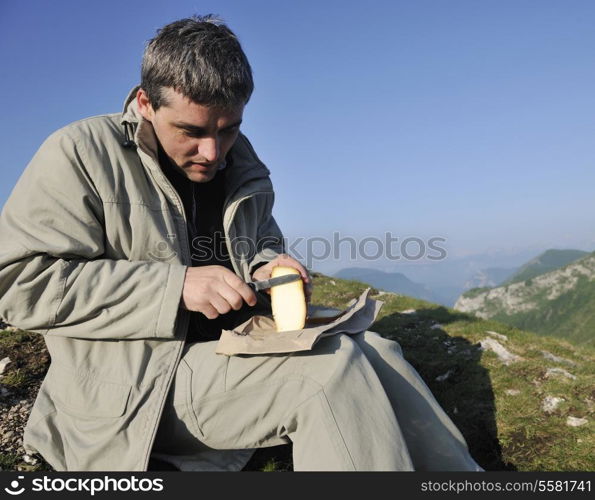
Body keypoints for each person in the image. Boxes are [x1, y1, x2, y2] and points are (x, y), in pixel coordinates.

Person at [0, 15, 483, 471]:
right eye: (191, 131)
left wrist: (271, 268)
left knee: (380, 352)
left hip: (234, 349)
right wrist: (175, 287)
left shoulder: (241, 162)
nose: (212, 152)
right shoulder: (81, 152)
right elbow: (17, 283)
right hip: (135, 387)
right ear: (146, 104)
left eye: (228, 129)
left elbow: (260, 244)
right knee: (328, 376)